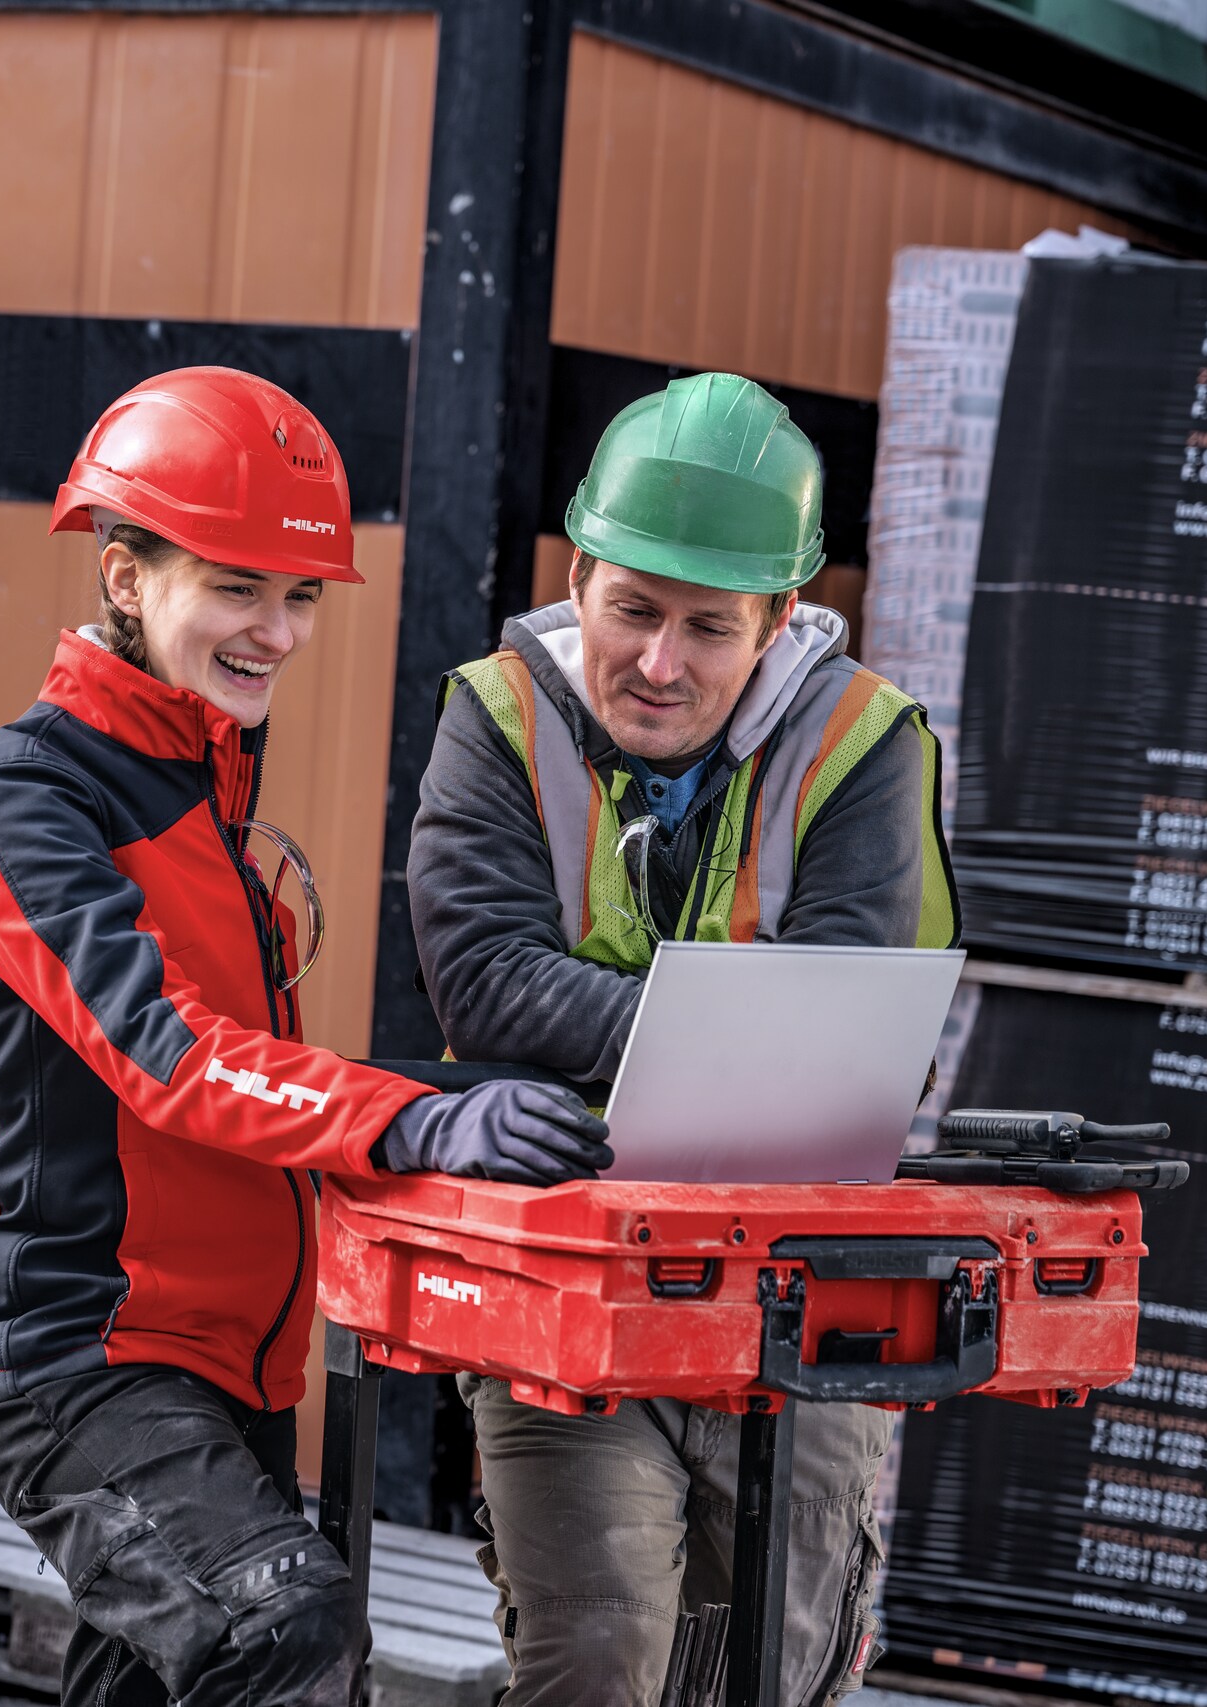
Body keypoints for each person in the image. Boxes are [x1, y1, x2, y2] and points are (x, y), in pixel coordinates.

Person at [0, 366, 610, 1707]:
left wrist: (452, 1105)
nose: (280, 631)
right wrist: (408, 1117)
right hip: (76, 1355)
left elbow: (252, 1071)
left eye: (300, 597)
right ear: (127, 579)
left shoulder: (207, 795)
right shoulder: (25, 801)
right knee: (280, 1633)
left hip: (222, 1353)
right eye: (237, 587)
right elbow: (170, 1055)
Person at [407, 371, 958, 1707]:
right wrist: (735, 1038)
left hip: (805, 1279)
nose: (660, 663)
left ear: (777, 621)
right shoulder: (498, 714)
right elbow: (482, 982)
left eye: (709, 626)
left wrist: (615, 1037)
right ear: (581, 572)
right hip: (570, 1271)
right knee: (596, 1653)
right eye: (632, 610)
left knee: (776, 1663)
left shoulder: (864, 744)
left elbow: (852, 1026)